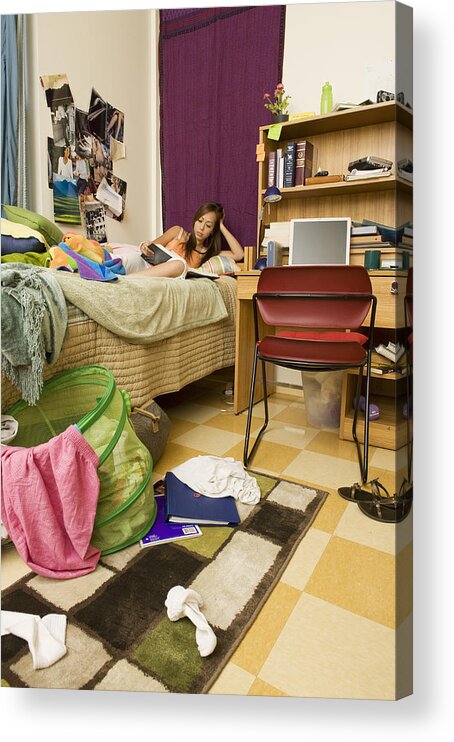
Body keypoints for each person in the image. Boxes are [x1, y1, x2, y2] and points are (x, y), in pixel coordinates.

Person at [127, 202, 243, 278]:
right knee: (130, 258)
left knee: (180, 265)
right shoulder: (177, 231)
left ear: (213, 230)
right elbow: (152, 246)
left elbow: (238, 254)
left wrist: (221, 225)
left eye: (208, 226)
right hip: (147, 266)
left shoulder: (206, 253)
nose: (201, 227)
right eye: (200, 221)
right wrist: (145, 246)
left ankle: (129, 279)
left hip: (164, 274)